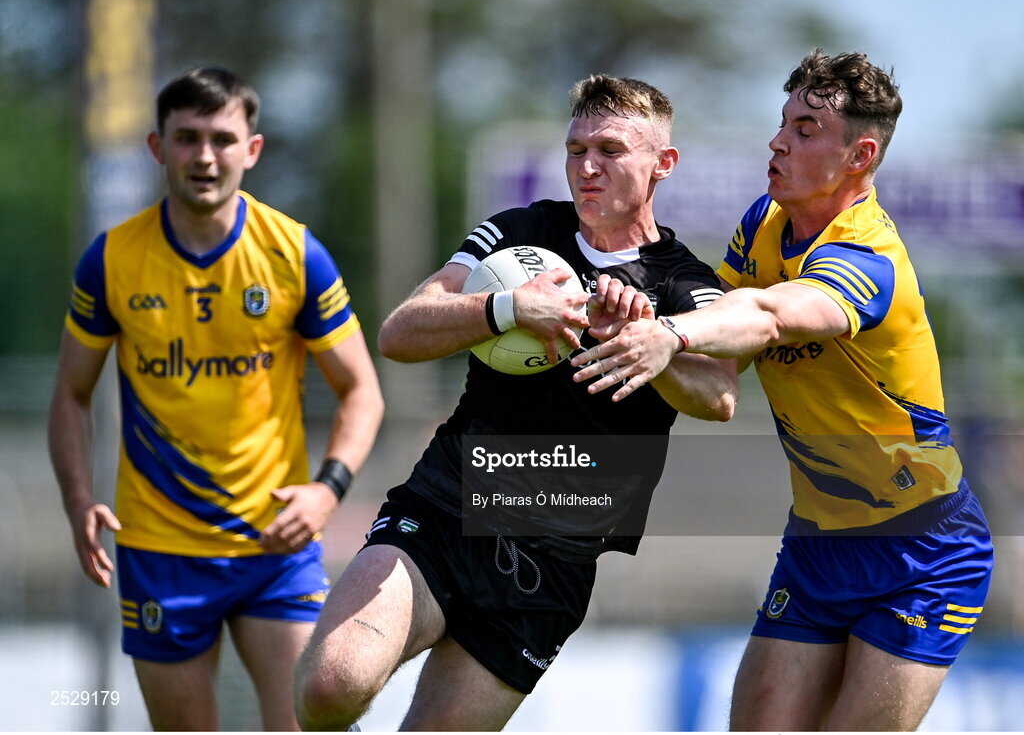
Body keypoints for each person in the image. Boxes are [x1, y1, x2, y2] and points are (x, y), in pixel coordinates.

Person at [293, 74, 738, 731]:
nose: (586, 166)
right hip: (450, 506)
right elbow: (402, 330)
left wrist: (649, 343)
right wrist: (506, 307)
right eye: (575, 148)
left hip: (552, 566)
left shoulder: (682, 281)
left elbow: (720, 393)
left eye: (610, 150)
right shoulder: (521, 233)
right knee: (333, 685)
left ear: (661, 163)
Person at [572, 49, 994, 730]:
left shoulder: (868, 257)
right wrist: (638, 335)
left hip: (925, 552)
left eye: (804, 129)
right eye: (782, 122)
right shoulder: (761, 223)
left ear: (858, 156)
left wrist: (670, 334)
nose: (778, 140)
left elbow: (765, 316)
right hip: (817, 544)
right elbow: (718, 381)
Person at [48, 67, 384, 731]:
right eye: (188, 138)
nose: (205, 156)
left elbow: (361, 391)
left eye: (223, 138)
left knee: (307, 721)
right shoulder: (112, 259)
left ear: (251, 150)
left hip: (274, 544)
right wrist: (79, 498)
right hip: (159, 546)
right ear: (157, 147)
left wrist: (327, 490)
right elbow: (69, 393)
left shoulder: (295, 254)